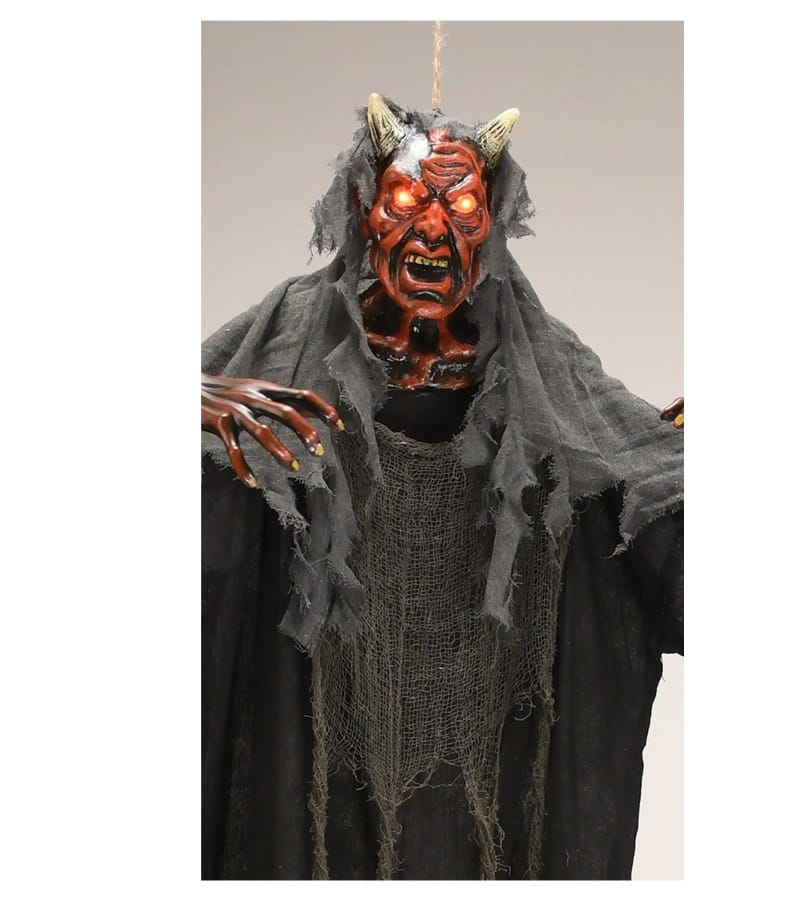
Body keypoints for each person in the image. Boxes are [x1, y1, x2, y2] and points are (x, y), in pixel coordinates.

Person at [201, 94, 684, 880]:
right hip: (309, 731)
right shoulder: (287, 337)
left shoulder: (540, 364)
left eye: (459, 207)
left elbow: (639, 480)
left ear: (490, 225)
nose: (432, 228)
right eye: (406, 199)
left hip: (485, 756)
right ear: (362, 205)